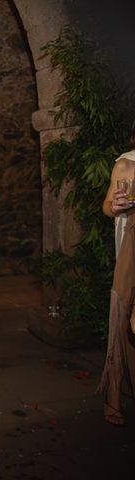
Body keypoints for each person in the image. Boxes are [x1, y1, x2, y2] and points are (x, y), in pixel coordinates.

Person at [98, 125, 135, 426]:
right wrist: (117, 206)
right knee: (122, 319)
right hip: (131, 250)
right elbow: (108, 206)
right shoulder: (126, 164)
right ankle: (112, 396)